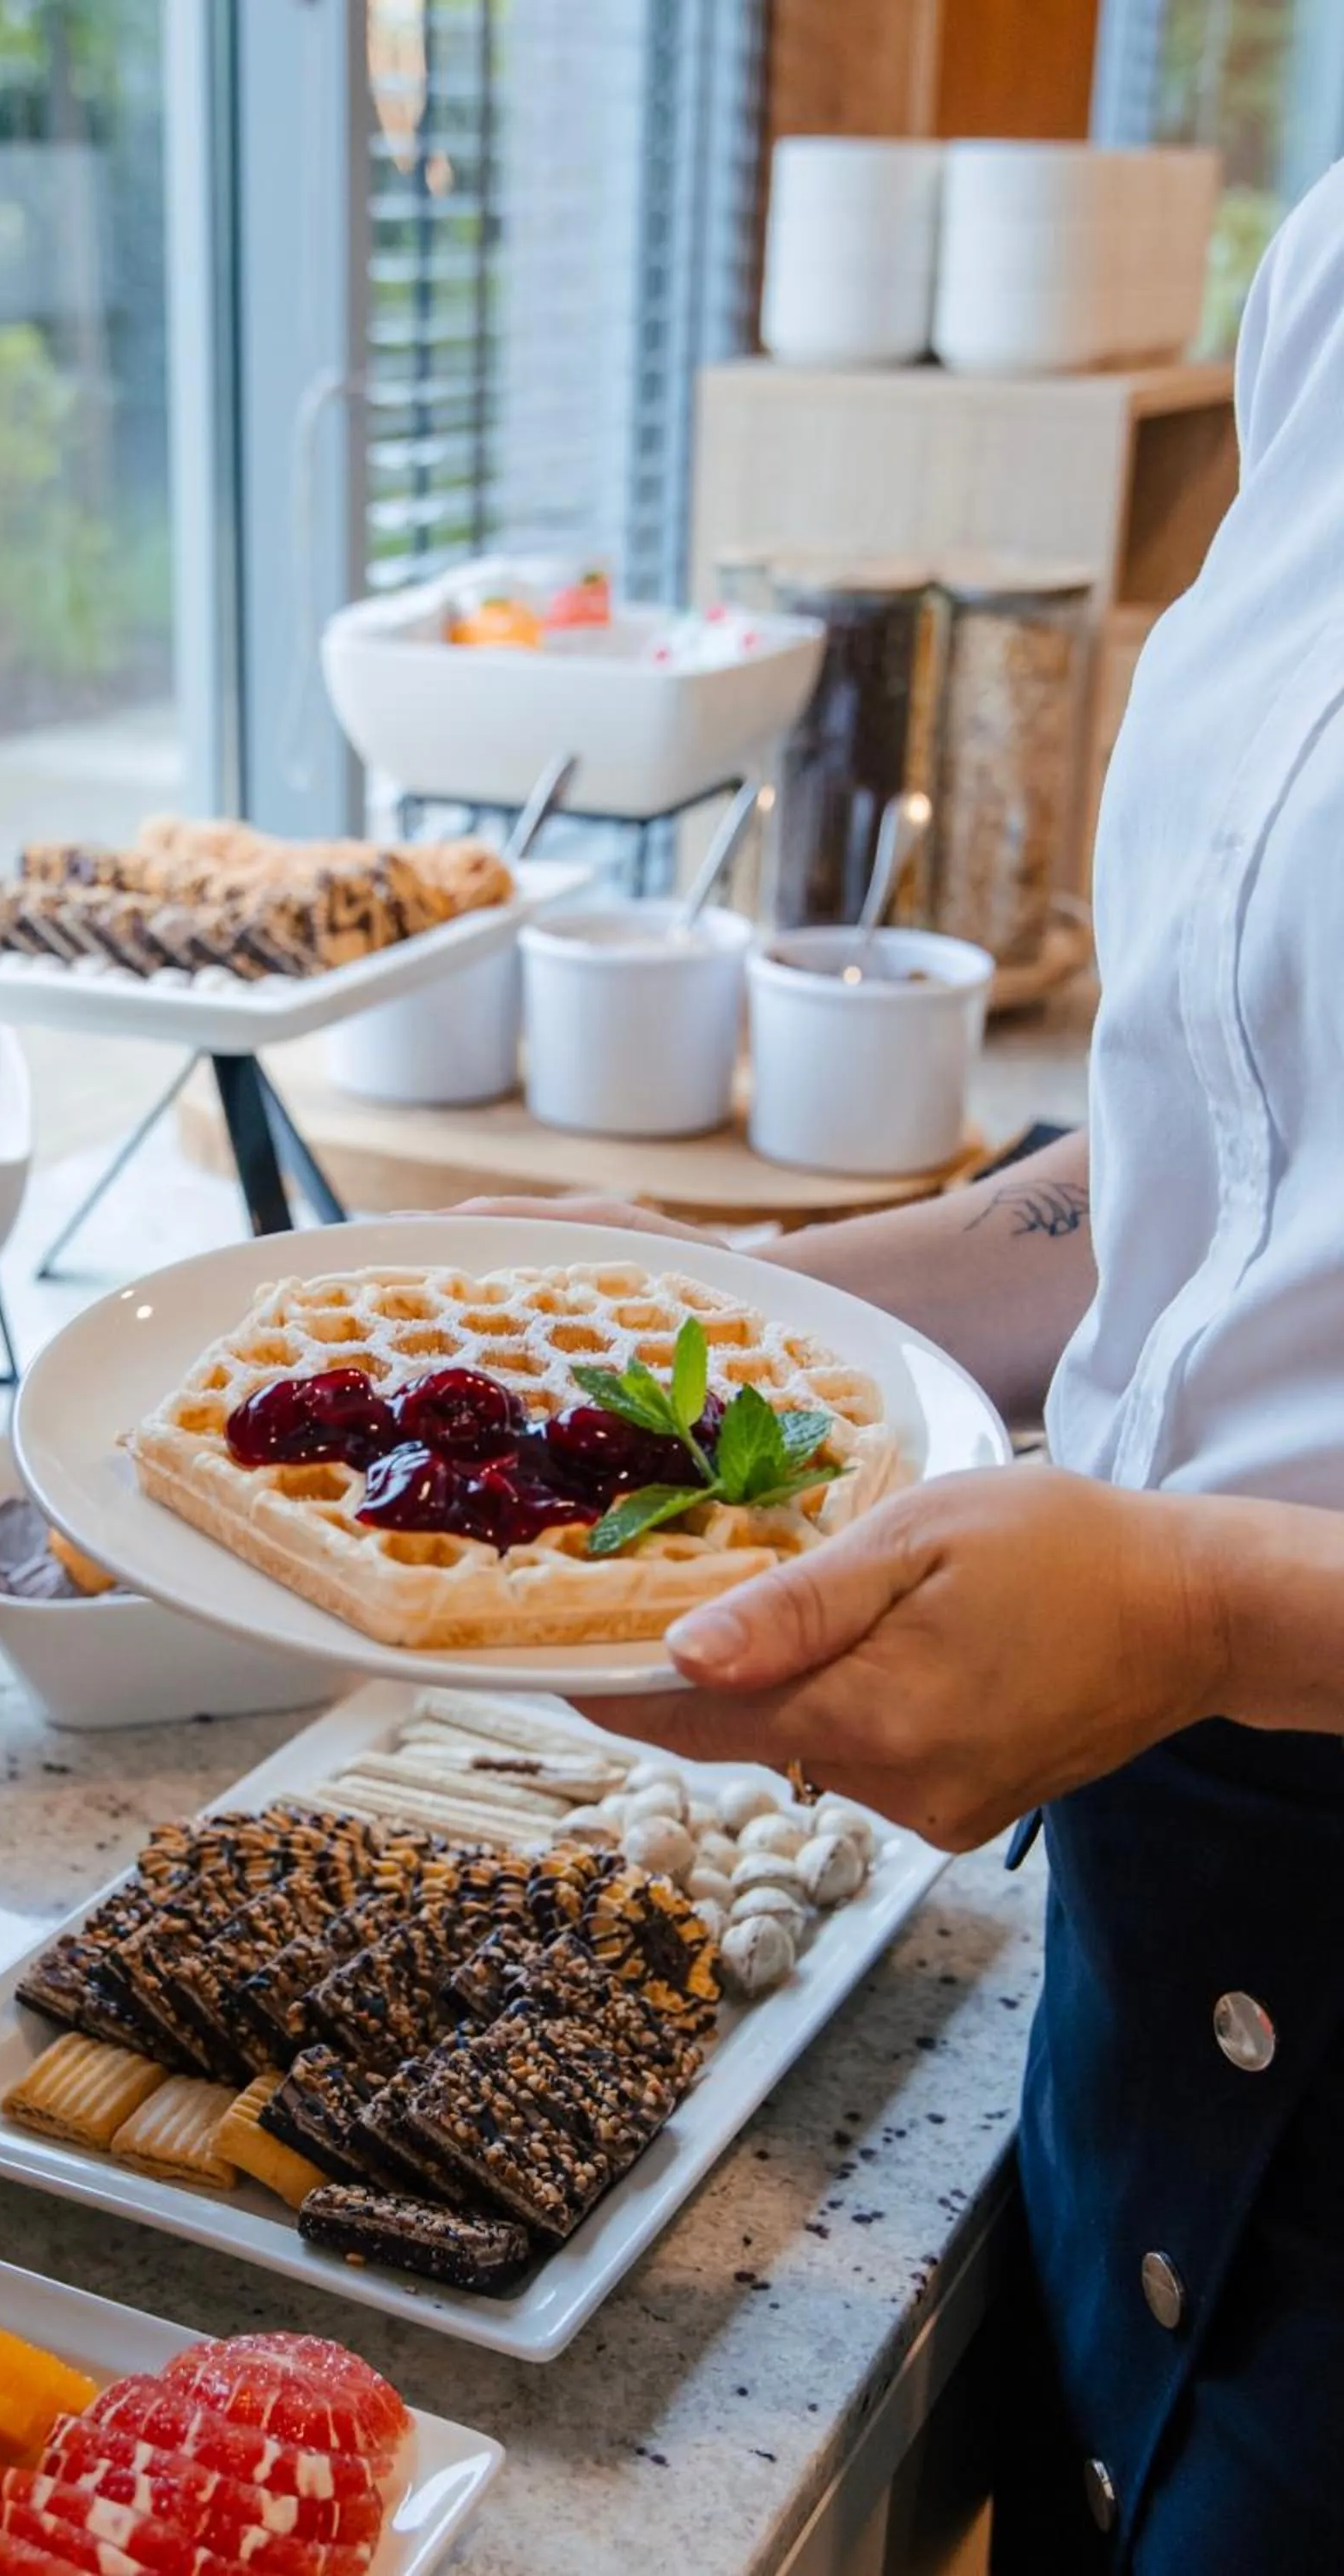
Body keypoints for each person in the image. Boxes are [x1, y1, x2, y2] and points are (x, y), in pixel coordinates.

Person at [464, 163, 1344, 2572]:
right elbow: (1231, 1142)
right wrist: (763, 1293)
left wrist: (1206, 1609)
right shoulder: (1330, 266)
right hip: (1163, 1899)